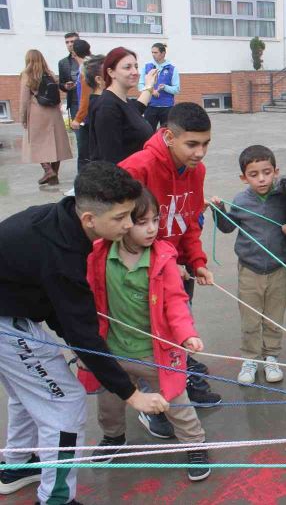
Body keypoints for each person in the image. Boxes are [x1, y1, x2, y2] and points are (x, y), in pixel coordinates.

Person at [0, 162, 169, 504]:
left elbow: (57, 305)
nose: (128, 224)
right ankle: (56, 498)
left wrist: (85, 348)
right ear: (90, 219)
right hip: (7, 322)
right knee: (65, 401)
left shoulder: (60, 222)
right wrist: (131, 394)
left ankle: (16, 465)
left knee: (30, 391)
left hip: (13, 311)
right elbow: (81, 331)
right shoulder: (61, 253)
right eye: (121, 217)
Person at [81, 188, 210, 481]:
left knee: (176, 399)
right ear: (123, 223)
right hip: (113, 349)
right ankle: (114, 438)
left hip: (156, 352)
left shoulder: (162, 260)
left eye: (155, 220)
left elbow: (177, 303)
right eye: (142, 222)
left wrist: (186, 334)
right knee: (110, 400)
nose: (152, 228)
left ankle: (195, 443)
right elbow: (87, 293)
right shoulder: (99, 254)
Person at [119, 103, 220, 435]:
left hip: (177, 270)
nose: (200, 152)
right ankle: (150, 404)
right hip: (142, 272)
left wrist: (197, 262)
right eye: (192, 144)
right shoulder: (137, 168)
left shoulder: (197, 172)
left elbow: (189, 222)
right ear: (168, 136)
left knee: (178, 329)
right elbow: (115, 229)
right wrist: (159, 263)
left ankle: (179, 384)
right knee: (148, 338)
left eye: (206, 143)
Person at [210, 146, 286, 384]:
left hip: (278, 269)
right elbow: (227, 227)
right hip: (249, 270)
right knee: (250, 318)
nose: (262, 179)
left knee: (274, 316)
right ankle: (250, 358)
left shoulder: (282, 198)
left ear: (275, 171)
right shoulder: (241, 200)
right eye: (254, 174)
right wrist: (219, 211)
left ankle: (272, 357)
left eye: (266, 172)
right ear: (243, 177)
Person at [88, 47, 157, 164]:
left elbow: (138, 108)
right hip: (122, 178)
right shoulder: (107, 106)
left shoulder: (123, 101)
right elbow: (111, 159)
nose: (135, 72)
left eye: (136, 66)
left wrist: (149, 85)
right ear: (111, 72)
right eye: (127, 67)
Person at [19, 49, 72, 186]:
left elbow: (24, 100)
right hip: (53, 113)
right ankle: (54, 176)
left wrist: (23, 118)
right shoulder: (50, 74)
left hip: (37, 112)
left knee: (35, 143)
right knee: (56, 144)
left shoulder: (27, 75)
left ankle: (48, 171)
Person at [139, 43, 180, 131]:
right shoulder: (147, 67)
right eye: (152, 52)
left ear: (163, 53)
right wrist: (151, 90)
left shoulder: (172, 69)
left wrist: (165, 87)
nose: (153, 55)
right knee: (148, 133)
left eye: (156, 52)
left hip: (167, 108)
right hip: (150, 107)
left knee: (166, 134)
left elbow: (176, 89)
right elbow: (140, 85)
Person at [67, 39, 92, 173]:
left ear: (74, 54)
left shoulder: (86, 69)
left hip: (87, 118)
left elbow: (86, 97)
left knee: (84, 155)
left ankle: (81, 185)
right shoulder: (93, 64)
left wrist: (78, 118)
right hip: (93, 115)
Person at [57, 32, 80, 121]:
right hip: (74, 103)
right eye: (67, 42)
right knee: (80, 134)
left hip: (91, 102)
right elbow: (61, 84)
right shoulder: (63, 63)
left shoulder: (89, 60)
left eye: (72, 41)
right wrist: (65, 86)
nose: (69, 44)